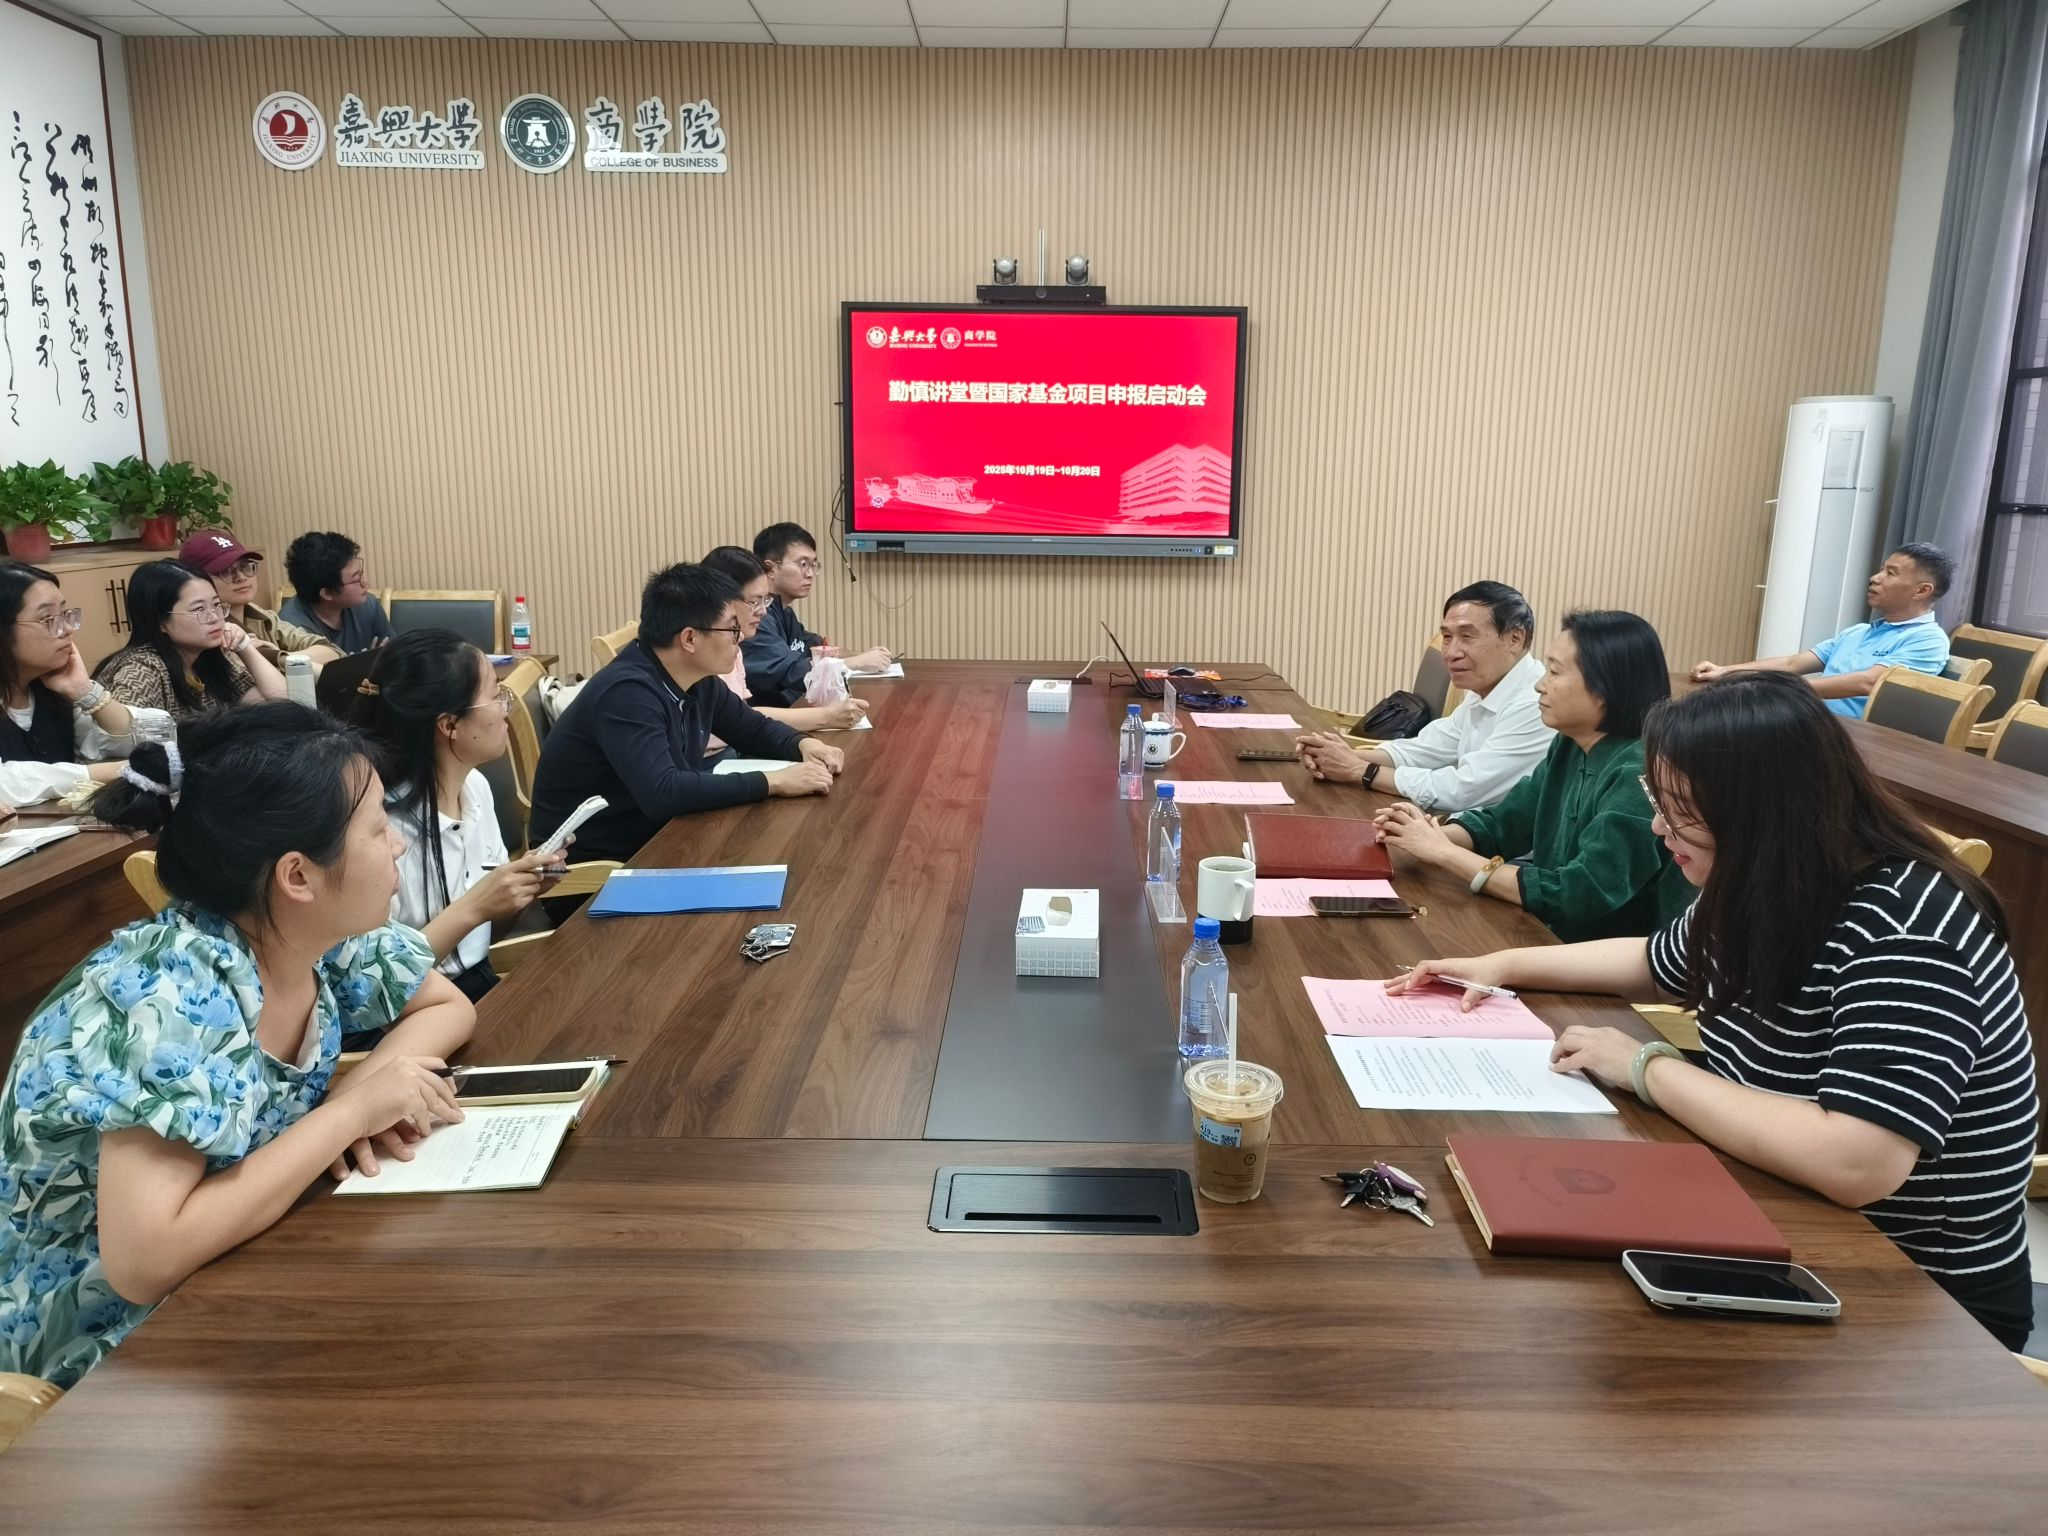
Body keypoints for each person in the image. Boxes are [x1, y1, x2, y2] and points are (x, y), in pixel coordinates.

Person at [1396, 672, 2037, 1349]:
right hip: (1773, 1204)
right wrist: (1503, 965)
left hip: (1914, 1294)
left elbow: (1857, 1163)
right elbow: (1656, 962)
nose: (1658, 827)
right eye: (1659, 800)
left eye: (1679, 811)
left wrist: (1647, 1067)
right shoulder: (1770, 873)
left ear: (1763, 810)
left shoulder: (1906, 928)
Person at [0, 703, 476, 1388]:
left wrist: (365, 1091)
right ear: (297, 875)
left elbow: (446, 1006)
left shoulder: (303, 932)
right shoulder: (166, 994)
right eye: (377, 827)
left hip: (236, 1259)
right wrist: (349, 1115)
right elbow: (144, 1262)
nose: (397, 845)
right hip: (98, 1347)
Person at [1375, 610, 1693, 942]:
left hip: (1608, 957)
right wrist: (1420, 837)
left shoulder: (1640, 773)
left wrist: (1444, 852)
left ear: (1606, 688)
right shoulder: (1570, 744)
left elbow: (1579, 894)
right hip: (1552, 933)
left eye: (1554, 672)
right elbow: (1505, 822)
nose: (1540, 685)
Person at [530, 562, 841, 865]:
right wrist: (774, 782)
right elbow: (664, 792)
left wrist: (804, 744)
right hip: (597, 868)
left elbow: (752, 729)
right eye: (732, 628)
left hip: (661, 838)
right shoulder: (627, 693)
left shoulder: (697, 679)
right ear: (690, 639)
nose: (742, 638)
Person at [348, 630, 562, 1002]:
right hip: (415, 1010)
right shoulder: (383, 828)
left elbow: (479, 942)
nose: (506, 708)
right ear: (449, 725)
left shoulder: (474, 786)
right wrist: (477, 905)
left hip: (477, 984)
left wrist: (521, 892)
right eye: (495, 695)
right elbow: (375, 989)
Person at [1295, 581, 1552, 813]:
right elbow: (1425, 749)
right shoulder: (1488, 687)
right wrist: (1338, 756)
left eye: (1467, 636)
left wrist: (1358, 770)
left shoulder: (1535, 703)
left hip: (1498, 846)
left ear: (1514, 639)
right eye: (1447, 637)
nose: (1451, 653)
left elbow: (1463, 790)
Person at [1690, 543, 1954, 719]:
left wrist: (1778, 689)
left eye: (1890, 573)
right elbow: (1792, 664)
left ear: (1922, 590)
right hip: (1815, 721)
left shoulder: (1928, 639)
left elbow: (1870, 682)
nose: (1875, 578)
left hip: (1857, 737)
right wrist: (1726, 671)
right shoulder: (1858, 632)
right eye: (1881, 570)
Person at [0, 561, 168, 806]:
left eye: (64, 615)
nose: (67, 629)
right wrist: (98, 773)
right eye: (48, 619)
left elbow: (160, 737)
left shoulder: (51, 691)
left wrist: (86, 692)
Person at [701, 546, 869, 736]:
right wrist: (828, 716)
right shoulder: (703, 652)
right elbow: (742, 717)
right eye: (754, 602)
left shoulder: (739, 644)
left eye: (765, 601)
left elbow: (742, 717)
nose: (762, 611)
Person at [93, 559, 288, 720]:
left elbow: (283, 704)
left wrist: (244, 646)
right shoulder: (141, 669)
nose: (214, 617)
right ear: (160, 621)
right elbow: (127, 739)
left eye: (216, 605)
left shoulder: (208, 655)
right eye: (199, 609)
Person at [742, 522, 892, 707]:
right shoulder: (757, 617)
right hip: (768, 715)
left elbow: (818, 649)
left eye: (814, 565)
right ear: (770, 569)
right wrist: (858, 662)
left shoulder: (784, 612)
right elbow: (791, 671)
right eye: (803, 564)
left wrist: (867, 656)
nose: (811, 574)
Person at [179, 530, 342, 667]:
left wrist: (278, 656)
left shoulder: (263, 616)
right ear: (195, 580)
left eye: (245, 566)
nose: (241, 577)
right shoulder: (207, 629)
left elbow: (333, 652)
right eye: (225, 571)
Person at [279, 530, 393, 656]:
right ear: (327, 593)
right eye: (356, 579)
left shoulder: (368, 605)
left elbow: (396, 655)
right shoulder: (293, 631)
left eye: (361, 573)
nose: (365, 582)